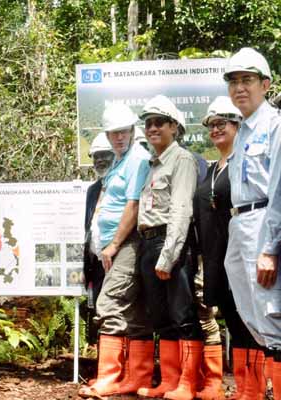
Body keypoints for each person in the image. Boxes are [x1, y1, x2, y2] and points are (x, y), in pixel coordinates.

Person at [79, 103, 153, 398]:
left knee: (108, 304)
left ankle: (109, 377)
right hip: (116, 245)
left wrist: (113, 245)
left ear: (133, 131)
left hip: (128, 243)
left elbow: (133, 206)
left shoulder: (138, 159)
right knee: (132, 311)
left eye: (123, 132)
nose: (119, 138)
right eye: (113, 133)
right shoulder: (121, 160)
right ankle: (136, 378)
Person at [223, 47, 281, 399]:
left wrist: (271, 248)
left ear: (266, 84)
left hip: (264, 223)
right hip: (239, 223)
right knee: (251, 312)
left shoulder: (275, 126)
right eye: (233, 81)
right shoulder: (242, 131)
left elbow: (279, 190)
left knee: (273, 311)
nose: (239, 88)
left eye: (247, 80)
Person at [135, 95, 202, 399]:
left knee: (182, 314)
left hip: (170, 243)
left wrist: (169, 255)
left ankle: (188, 384)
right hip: (149, 242)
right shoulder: (153, 164)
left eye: (159, 122)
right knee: (160, 316)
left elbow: (180, 210)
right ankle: (170, 382)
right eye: (148, 123)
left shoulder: (182, 159)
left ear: (174, 126)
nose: (152, 128)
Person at [192, 96, 259, 399]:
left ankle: (255, 389)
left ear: (237, 124)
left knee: (250, 322)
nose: (216, 129)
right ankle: (245, 389)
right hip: (217, 257)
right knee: (232, 318)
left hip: (243, 252)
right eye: (212, 125)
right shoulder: (211, 168)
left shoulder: (245, 160)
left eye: (222, 123)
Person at [82, 132, 113, 348]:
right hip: (97, 264)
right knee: (100, 313)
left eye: (105, 155)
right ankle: (105, 368)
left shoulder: (122, 185)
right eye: (96, 156)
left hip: (117, 260)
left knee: (118, 313)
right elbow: (89, 228)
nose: (100, 160)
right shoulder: (93, 190)